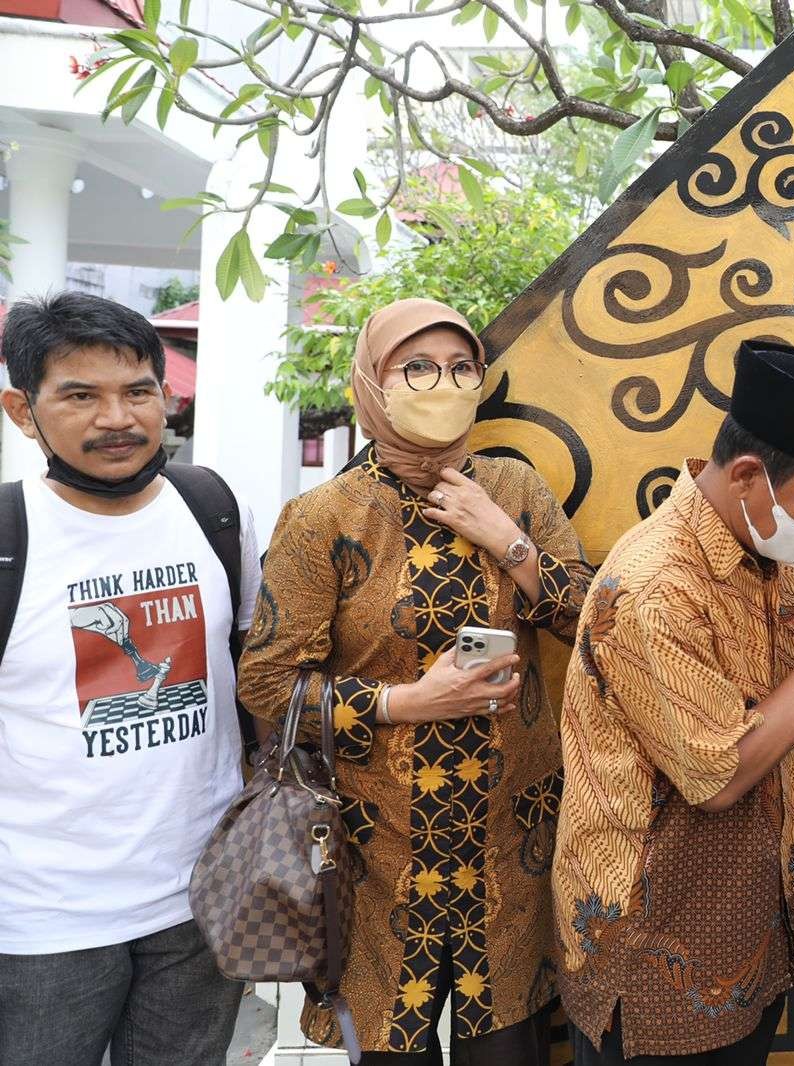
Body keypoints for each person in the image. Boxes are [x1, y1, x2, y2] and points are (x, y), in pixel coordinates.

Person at [236, 298, 593, 1064]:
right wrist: (407, 702)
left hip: (507, 843)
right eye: (418, 368)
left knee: (509, 1049)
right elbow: (267, 684)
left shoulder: (514, 487)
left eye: (462, 368)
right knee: (391, 1051)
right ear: (372, 382)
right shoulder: (325, 516)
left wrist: (507, 540)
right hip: (376, 854)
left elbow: (588, 623)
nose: (444, 384)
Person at [553, 339, 794, 1065]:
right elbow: (717, 778)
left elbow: (769, 710)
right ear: (749, 475)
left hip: (747, 926)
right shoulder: (657, 589)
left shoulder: (762, 545)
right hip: (654, 953)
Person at [0, 291, 260, 1066]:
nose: (118, 418)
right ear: (23, 410)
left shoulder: (211, 508)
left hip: (203, 899)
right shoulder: (10, 539)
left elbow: (253, 667)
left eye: (137, 390)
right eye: (80, 395)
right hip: (42, 920)